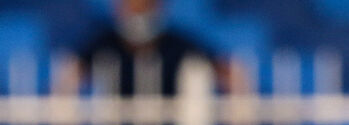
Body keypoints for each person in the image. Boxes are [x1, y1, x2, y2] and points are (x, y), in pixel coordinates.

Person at [61, 0, 244, 97]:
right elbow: (70, 75)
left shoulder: (178, 43)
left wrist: (237, 100)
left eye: (145, 6)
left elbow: (225, 69)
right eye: (132, 7)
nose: (138, 14)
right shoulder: (103, 43)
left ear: (158, 7)